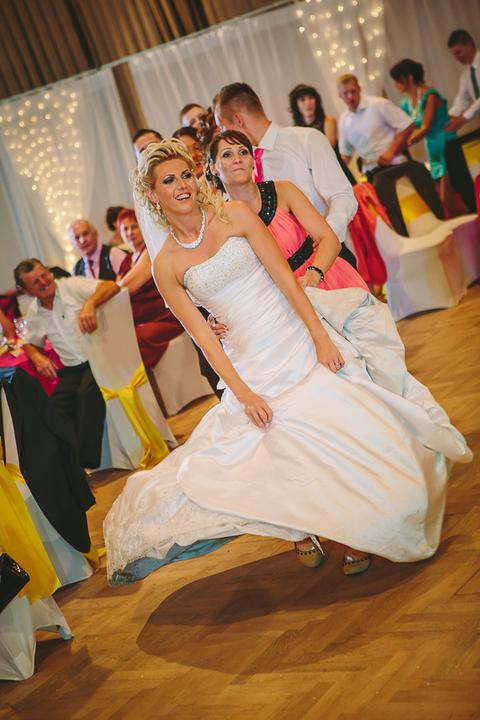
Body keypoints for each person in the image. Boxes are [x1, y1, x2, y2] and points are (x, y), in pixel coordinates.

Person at [103, 139, 471, 585]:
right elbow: (204, 340)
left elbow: (285, 279)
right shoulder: (166, 265)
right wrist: (243, 394)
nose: (182, 185)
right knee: (281, 450)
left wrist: (320, 337)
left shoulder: (236, 215)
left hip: (292, 334)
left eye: (186, 175)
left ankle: (359, 528)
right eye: (169, 180)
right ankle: (302, 527)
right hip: (248, 361)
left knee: (339, 427)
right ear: (153, 194)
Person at [213, 82, 358, 268]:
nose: (223, 135)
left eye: (223, 127)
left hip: (329, 258)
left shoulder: (306, 139)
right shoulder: (242, 164)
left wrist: (326, 238)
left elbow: (342, 196)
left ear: (238, 120)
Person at [208, 129, 367, 292]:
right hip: (280, 297)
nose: (237, 159)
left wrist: (313, 275)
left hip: (324, 278)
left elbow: (329, 239)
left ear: (252, 161)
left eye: (243, 152)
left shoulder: (283, 190)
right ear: (213, 168)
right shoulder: (223, 220)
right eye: (227, 155)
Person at [16, 258, 120, 468]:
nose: (44, 281)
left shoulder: (72, 286)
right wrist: (36, 356)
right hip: (71, 370)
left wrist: (90, 303)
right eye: (36, 282)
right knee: (54, 407)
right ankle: (70, 466)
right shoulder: (35, 312)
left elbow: (111, 286)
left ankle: (86, 462)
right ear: (27, 291)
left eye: (44, 274)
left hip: (97, 359)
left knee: (86, 393)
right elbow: (28, 342)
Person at [337, 73, 444, 235]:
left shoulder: (378, 104)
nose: (350, 96)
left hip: (397, 162)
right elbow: (346, 154)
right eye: (346, 93)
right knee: (376, 189)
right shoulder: (344, 121)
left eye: (353, 91)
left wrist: (391, 151)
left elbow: (407, 125)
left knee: (420, 172)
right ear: (340, 95)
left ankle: (440, 222)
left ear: (359, 88)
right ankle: (402, 236)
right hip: (372, 171)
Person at [390, 58, 468, 217]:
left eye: (397, 80)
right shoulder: (406, 103)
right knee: (445, 198)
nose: (395, 84)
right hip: (433, 149)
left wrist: (403, 144)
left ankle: (471, 219)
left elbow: (425, 128)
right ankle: (467, 223)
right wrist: (394, 142)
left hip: (446, 145)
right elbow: (403, 128)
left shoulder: (430, 95)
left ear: (409, 78)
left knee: (454, 192)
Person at [116, 208, 184, 368]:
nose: (130, 233)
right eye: (125, 229)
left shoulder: (149, 252)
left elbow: (125, 288)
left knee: (137, 338)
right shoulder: (126, 261)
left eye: (134, 227)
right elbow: (116, 289)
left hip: (164, 317)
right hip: (142, 319)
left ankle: (142, 378)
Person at [289, 83, 356, 185]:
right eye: (302, 100)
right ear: (296, 105)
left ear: (316, 101)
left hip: (338, 173)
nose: (308, 103)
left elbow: (327, 150)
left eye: (311, 98)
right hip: (317, 180)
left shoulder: (329, 121)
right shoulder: (294, 130)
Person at [444, 29, 480, 132]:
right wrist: (448, 119)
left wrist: (463, 119)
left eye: (458, 52)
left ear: (469, 45)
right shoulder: (466, 75)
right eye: (454, 55)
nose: (456, 58)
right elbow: (461, 100)